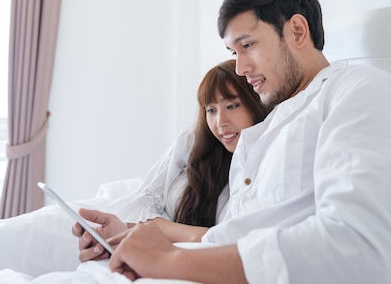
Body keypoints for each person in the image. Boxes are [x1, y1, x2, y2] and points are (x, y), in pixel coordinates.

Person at [106, 0, 391, 284]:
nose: (240, 68)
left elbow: (353, 250)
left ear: (296, 31)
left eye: (247, 44)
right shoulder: (272, 124)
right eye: (233, 52)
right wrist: (132, 234)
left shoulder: (361, 91)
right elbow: (226, 237)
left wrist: (168, 261)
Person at [74, 59, 271, 260]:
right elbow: (144, 201)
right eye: (211, 110)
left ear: (255, 102)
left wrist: (155, 228)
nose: (220, 122)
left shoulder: (264, 162)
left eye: (232, 105)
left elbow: (227, 241)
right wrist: (126, 229)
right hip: (156, 248)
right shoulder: (193, 141)